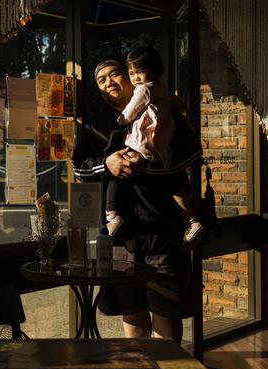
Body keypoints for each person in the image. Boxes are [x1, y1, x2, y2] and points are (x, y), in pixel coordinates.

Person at [72, 56, 202, 343]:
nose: (109, 82)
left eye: (115, 74)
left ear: (132, 78)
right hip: (119, 235)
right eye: (101, 80)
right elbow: (78, 166)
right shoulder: (94, 125)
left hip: (164, 229)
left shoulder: (163, 110)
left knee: (166, 309)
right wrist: (107, 164)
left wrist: (152, 164)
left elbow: (195, 153)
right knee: (132, 310)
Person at [105, 47, 204, 247]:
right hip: (161, 147)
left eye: (139, 72)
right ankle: (191, 221)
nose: (135, 78)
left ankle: (112, 216)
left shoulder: (144, 90)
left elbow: (130, 111)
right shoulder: (163, 90)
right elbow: (180, 104)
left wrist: (121, 120)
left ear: (154, 70)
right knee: (171, 183)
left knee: (117, 175)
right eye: (132, 73)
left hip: (141, 144)